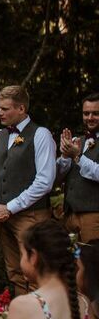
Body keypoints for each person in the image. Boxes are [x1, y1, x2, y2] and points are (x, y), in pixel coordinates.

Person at [0, 84, 56, 295]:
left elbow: (45, 180)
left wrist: (11, 207)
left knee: (37, 272)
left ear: (21, 109)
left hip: (32, 217)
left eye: (5, 109)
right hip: (4, 217)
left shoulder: (41, 134)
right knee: (14, 272)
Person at [57, 92, 99, 245]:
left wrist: (78, 156)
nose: (90, 117)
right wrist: (65, 156)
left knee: (94, 264)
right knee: (73, 264)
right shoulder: (76, 141)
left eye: (95, 113)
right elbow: (58, 176)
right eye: (86, 113)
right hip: (69, 216)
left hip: (94, 217)